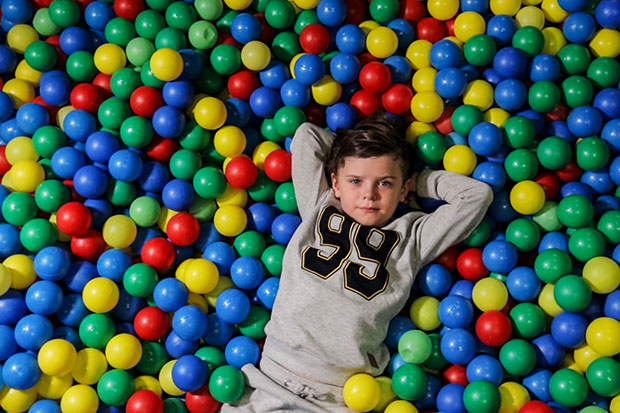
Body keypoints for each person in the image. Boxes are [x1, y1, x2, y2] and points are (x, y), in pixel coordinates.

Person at [222, 113, 494, 412]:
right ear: (336, 183)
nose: (368, 193)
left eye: (386, 184)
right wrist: (350, 154)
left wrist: (416, 178)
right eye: (356, 181)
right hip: (269, 380)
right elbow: (306, 136)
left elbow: (476, 195)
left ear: (403, 190)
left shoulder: (413, 236)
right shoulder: (321, 204)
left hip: (341, 396)